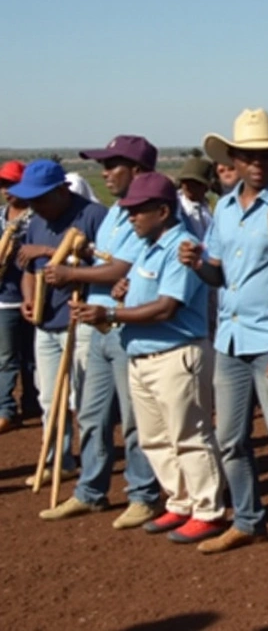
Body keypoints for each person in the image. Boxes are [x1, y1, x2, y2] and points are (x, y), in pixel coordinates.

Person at [178, 108, 268, 569]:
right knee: (229, 439)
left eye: (266, 154)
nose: (257, 162)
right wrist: (196, 263)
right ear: (234, 160)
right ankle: (247, 520)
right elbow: (218, 276)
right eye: (248, 155)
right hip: (231, 341)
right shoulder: (223, 209)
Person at [71, 172, 226, 544]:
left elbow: (166, 308)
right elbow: (147, 298)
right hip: (143, 355)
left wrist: (109, 314)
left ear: (161, 210)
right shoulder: (146, 246)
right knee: (156, 438)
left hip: (175, 354)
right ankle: (179, 500)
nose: (130, 217)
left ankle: (208, 509)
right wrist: (124, 295)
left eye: (137, 211)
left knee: (189, 435)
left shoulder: (182, 247)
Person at [40, 136, 163, 528]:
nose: (104, 172)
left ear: (139, 170)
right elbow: (106, 260)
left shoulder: (144, 215)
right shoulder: (113, 213)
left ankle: (143, 494)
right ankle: (91, 492)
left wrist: (72, 272)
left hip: (126, 325)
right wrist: (82, 258)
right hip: (98, 324)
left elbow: (121, 268)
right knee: (92, 414)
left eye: (113, 165)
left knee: (132, 417)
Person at [12, 160, 106, 487]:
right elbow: (28, 268)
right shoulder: (37, 220)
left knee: (84, 400)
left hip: (81, 322)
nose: (35, 206)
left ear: (61, 191)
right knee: (49, 398)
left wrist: (49, 250)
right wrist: (28, 298)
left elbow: (108, 265)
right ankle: (58, 459)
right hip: (46, 320)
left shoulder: (94, 216)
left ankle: (95, 473)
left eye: (40, 198)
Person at [0, 161, 39, 433]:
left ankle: (32, 403)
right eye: (4, 185)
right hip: (5, 299)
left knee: (31, 356)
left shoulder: (36, 220)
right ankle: (4, 407)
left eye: (12, 184)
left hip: (33, 296)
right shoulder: (0, 218)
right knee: (5, 357)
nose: (6, 190)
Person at [174, 157, 216, 240]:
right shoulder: (175, 207)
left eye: (196, 184)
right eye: (186, 182)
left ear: (206, 187)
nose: (189, 186)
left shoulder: (210, 207)